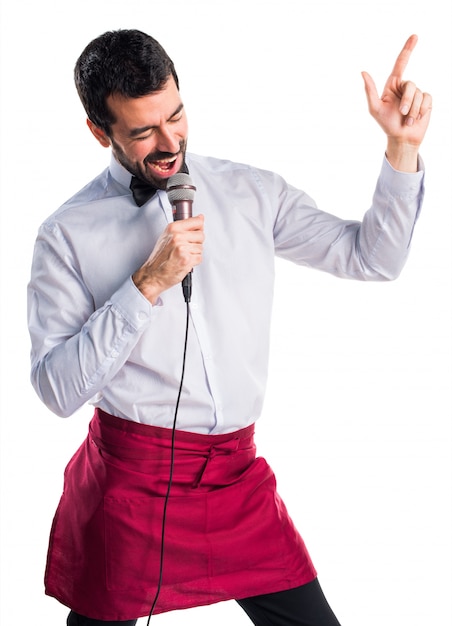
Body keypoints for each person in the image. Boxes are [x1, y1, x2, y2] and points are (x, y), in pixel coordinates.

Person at [27, 29, 431, 626]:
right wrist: (145, 286)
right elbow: (58, 392)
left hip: (237, 480)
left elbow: (374, 258)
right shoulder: (66, 234)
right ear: (99, 132)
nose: (170, 142)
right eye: (142, 132)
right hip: (132, 486)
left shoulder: (253, 192)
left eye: (177, 116)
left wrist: (400, 149)